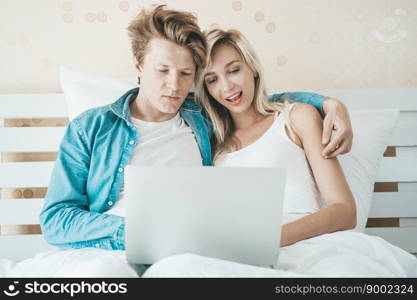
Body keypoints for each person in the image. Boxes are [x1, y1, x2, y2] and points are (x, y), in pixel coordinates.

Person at [38, 5, 352, 277]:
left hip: (189, 255)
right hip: (110, 248)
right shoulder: (91, 127)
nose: (174, 86)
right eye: (162, 70)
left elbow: (260, 105)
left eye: (186, 74)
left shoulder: (202, 119)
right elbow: (55, 219)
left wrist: (327, 103)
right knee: (104, 275)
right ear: (138, 65)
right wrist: (137, 232)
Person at [142, 28, 356, 277]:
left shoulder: (296, 117)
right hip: (238, 255)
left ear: (252, 68)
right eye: (212, 80)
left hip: (306, 247)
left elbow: (345, 211)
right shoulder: (211, 145)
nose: (227, 86)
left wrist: (270, 238)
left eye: (234, 70)